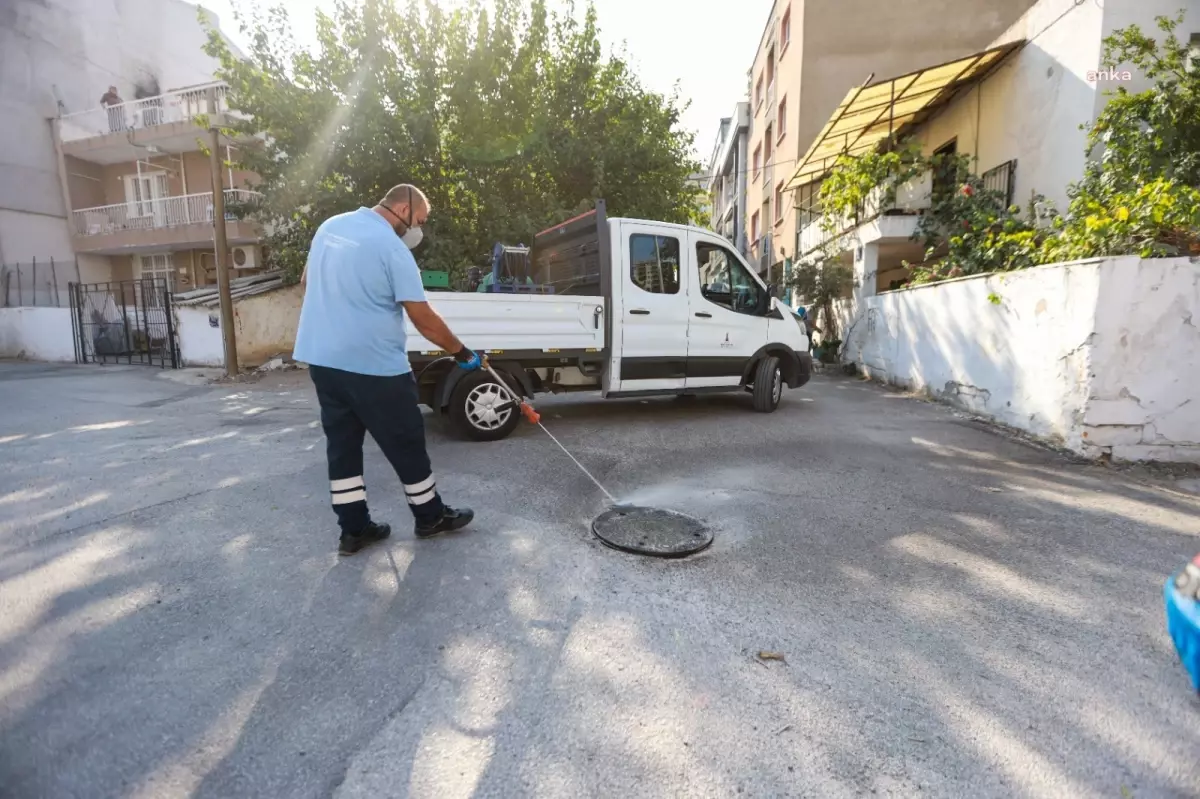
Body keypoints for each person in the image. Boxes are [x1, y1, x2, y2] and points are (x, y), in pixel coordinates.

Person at [294, 184, 478, 555]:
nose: (418, 230)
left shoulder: (330, 227)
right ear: (403, 208)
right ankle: (430, 517)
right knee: (406, 441)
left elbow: (305, 282)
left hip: (324, 361)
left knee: (343, 446)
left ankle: (354, 529)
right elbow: (423, 318)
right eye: (419, 221)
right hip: (374, 366)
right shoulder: (392, 248)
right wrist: (460, 351)